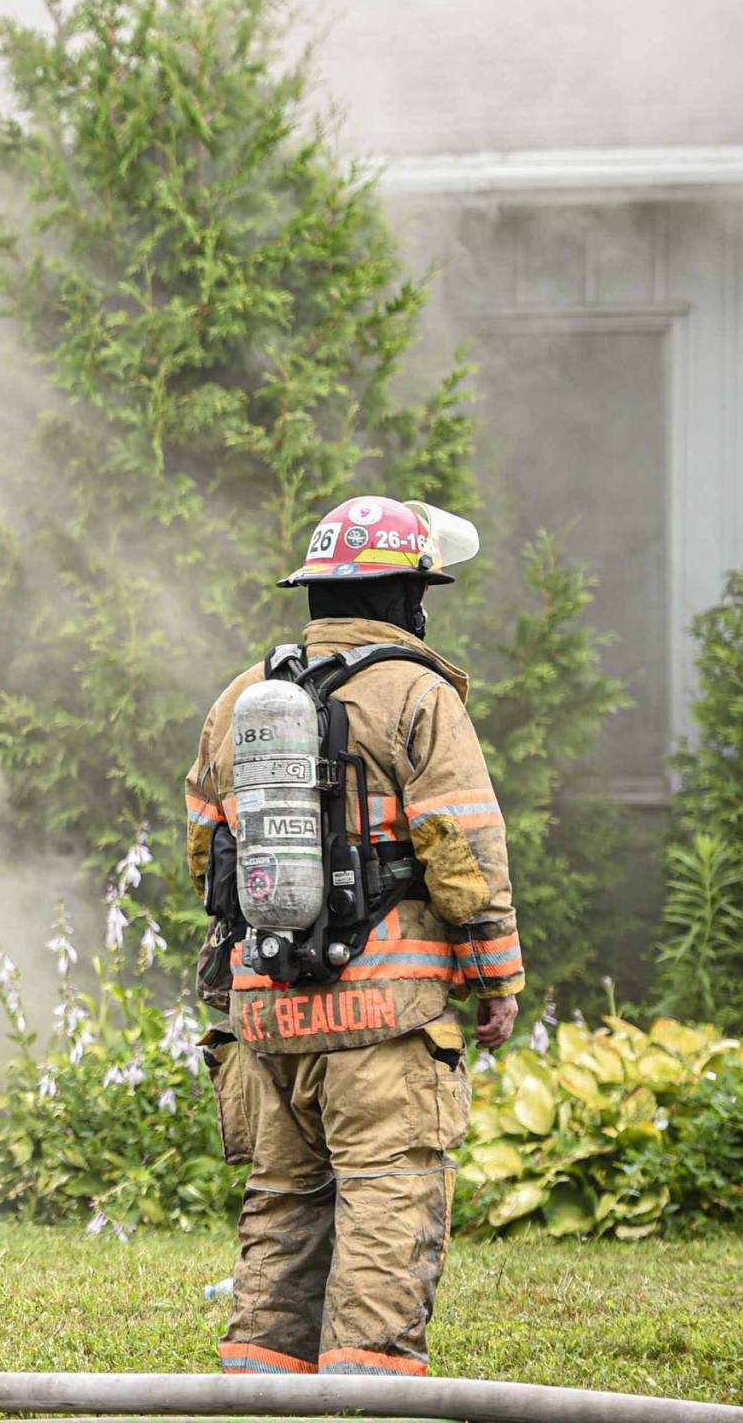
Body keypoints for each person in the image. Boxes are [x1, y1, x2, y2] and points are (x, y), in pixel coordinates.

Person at [186, 497, 523, 1378]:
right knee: (388, 1192)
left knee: (282, 1201)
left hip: (265, 1009)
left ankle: (261, 1371)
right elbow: (463, 852)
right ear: (410, 595)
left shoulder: (241, 701)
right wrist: (495, 978)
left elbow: (206, 856)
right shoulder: (418, 694)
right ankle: (368, 1383)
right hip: (383, 1012)